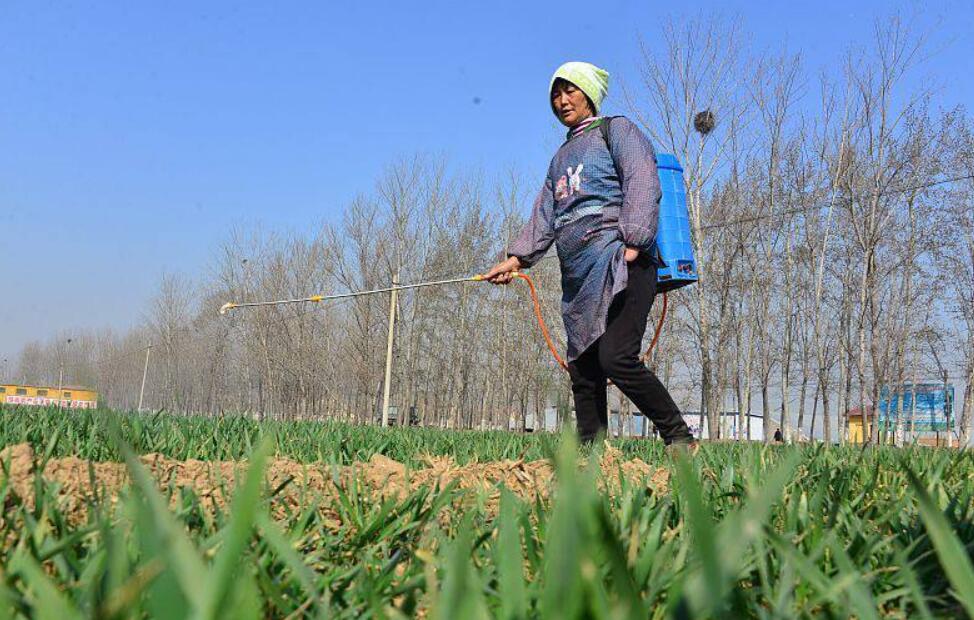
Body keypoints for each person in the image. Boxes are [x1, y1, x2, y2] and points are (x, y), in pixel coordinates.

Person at [484, 61, 696, 452]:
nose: (562, 101)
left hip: (624, 264)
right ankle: (591, 455)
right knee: (583, 368)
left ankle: (680, 438)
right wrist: (515, 260)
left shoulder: (617, 131)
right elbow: (546, 215)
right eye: (556, 94)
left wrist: (635, 239)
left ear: (589, 95)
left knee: (616, 358)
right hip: (580, 278)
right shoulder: (560, 158)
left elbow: (642, 179)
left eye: (570, 91)